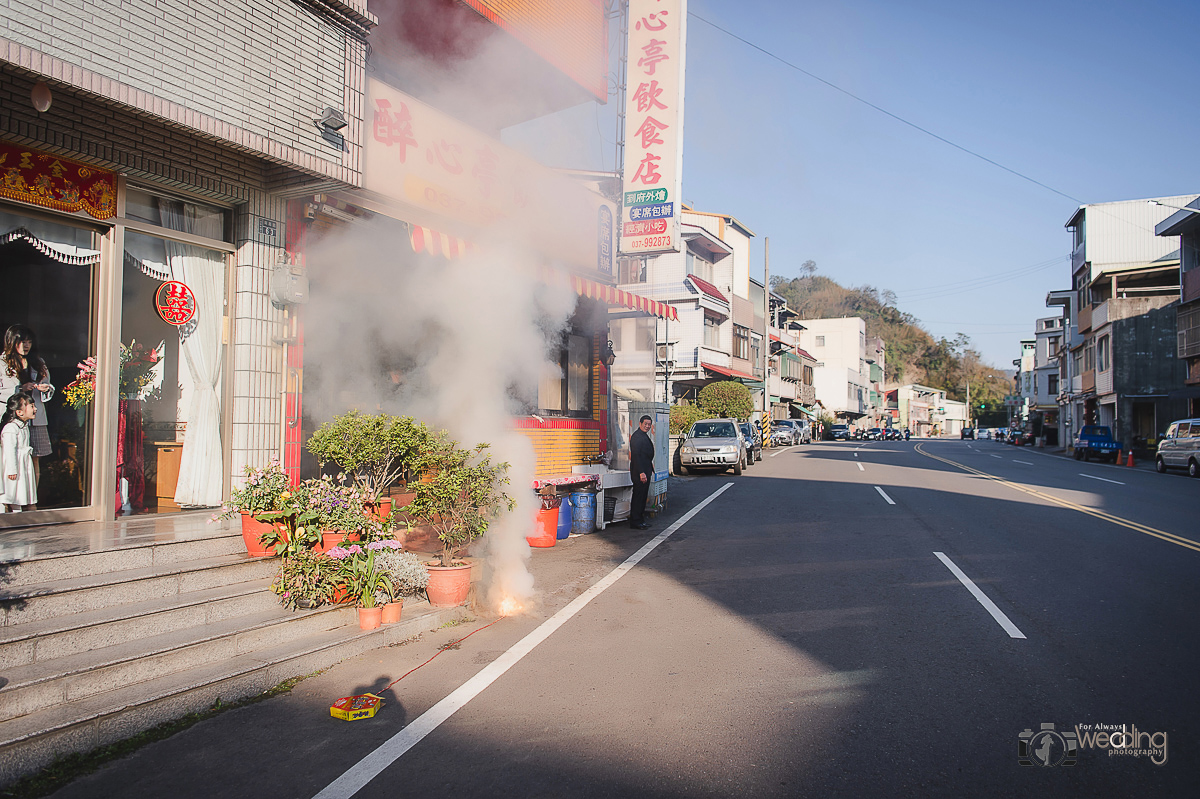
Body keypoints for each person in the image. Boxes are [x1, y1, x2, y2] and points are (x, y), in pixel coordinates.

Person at [0, 325, 54, 476]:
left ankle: (33, 498)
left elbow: (49, 386)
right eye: (22, 341)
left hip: (35, 419)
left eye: (29, 342)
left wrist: (45, 388)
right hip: (12, 419)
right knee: (9, 457)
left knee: (35, 459)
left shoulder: (37, 362)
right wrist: (21, 389)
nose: (26, 345)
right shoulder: (2, 363)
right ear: (12, 342)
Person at [2, 391, 38, 511]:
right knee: (12, 491)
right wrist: (12, 469)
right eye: (31, 406)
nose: (35, 409)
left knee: (20, 491)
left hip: (23, 464)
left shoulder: (23, 426)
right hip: (15, 466)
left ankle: (18, 513)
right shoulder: (11, 428)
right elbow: (9, 450)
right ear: (19, 412)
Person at [628, 414, 654, 530]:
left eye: (649, 424)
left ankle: (640, 519)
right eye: (645, 424)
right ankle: (635, 521)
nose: (647, 426)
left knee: (643, 496)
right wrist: (641, 472)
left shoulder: (643, 435)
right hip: (639, 472)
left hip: (645, 470)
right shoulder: (637, 437)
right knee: (638, 496)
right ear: (640, 424)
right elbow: (636, 456)